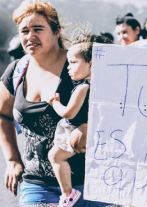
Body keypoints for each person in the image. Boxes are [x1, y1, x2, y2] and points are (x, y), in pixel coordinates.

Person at [0, 1, 111, 206]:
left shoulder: (79, 67)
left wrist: (87, 125)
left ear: (56, 31)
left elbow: (120, 105)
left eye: (38, 29)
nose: (30, 36)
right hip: (36, 185)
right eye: (24, 30)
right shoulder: (16, 71)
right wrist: (13, 159)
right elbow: (3, 114)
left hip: (90, 185)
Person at [47, 34, 105, 207]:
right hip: (84, 132)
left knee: (55, 156)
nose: (68, 67)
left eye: (73, 62)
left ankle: (68, 193)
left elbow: (68, 113)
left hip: (73, 131)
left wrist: (55, 103)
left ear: (92, 65)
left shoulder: (83, 87)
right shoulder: (99, 86)